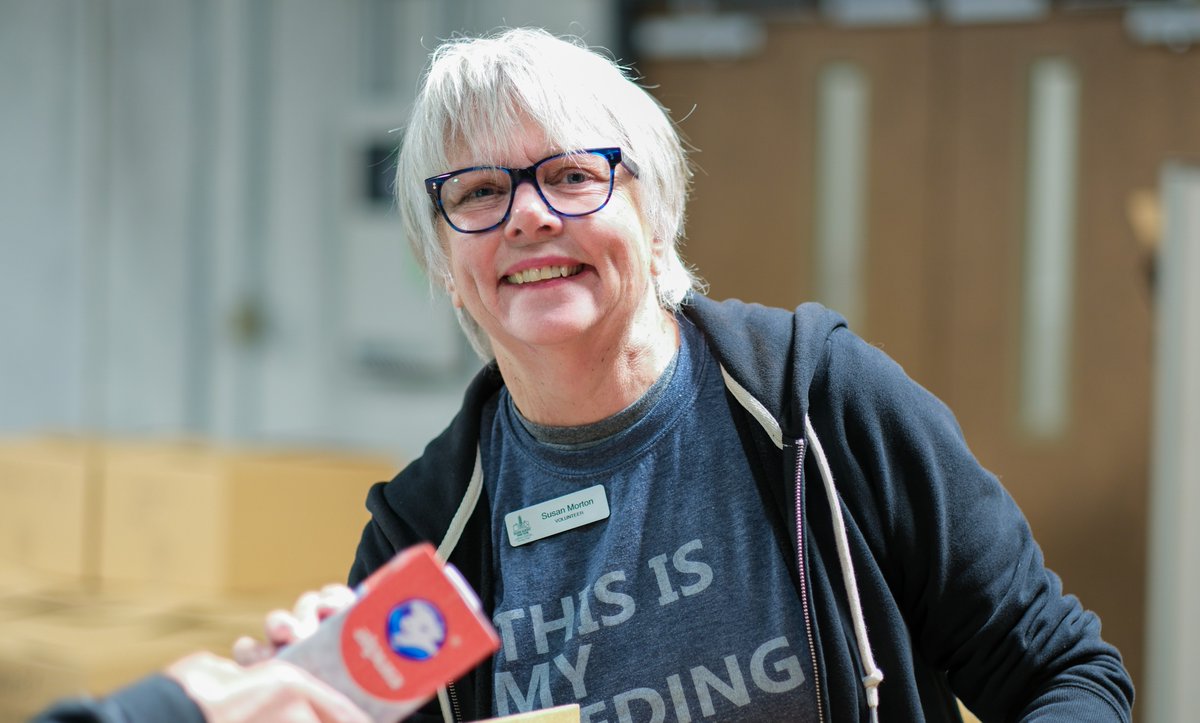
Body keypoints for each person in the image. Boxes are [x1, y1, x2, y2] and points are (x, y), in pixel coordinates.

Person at [35, 26, 1133, 723]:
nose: (527, 218)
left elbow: (1066, 677)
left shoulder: (816, 400)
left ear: (651, 213)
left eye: (570, 175)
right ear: (449, 267)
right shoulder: (426, 530)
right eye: (478, 193)